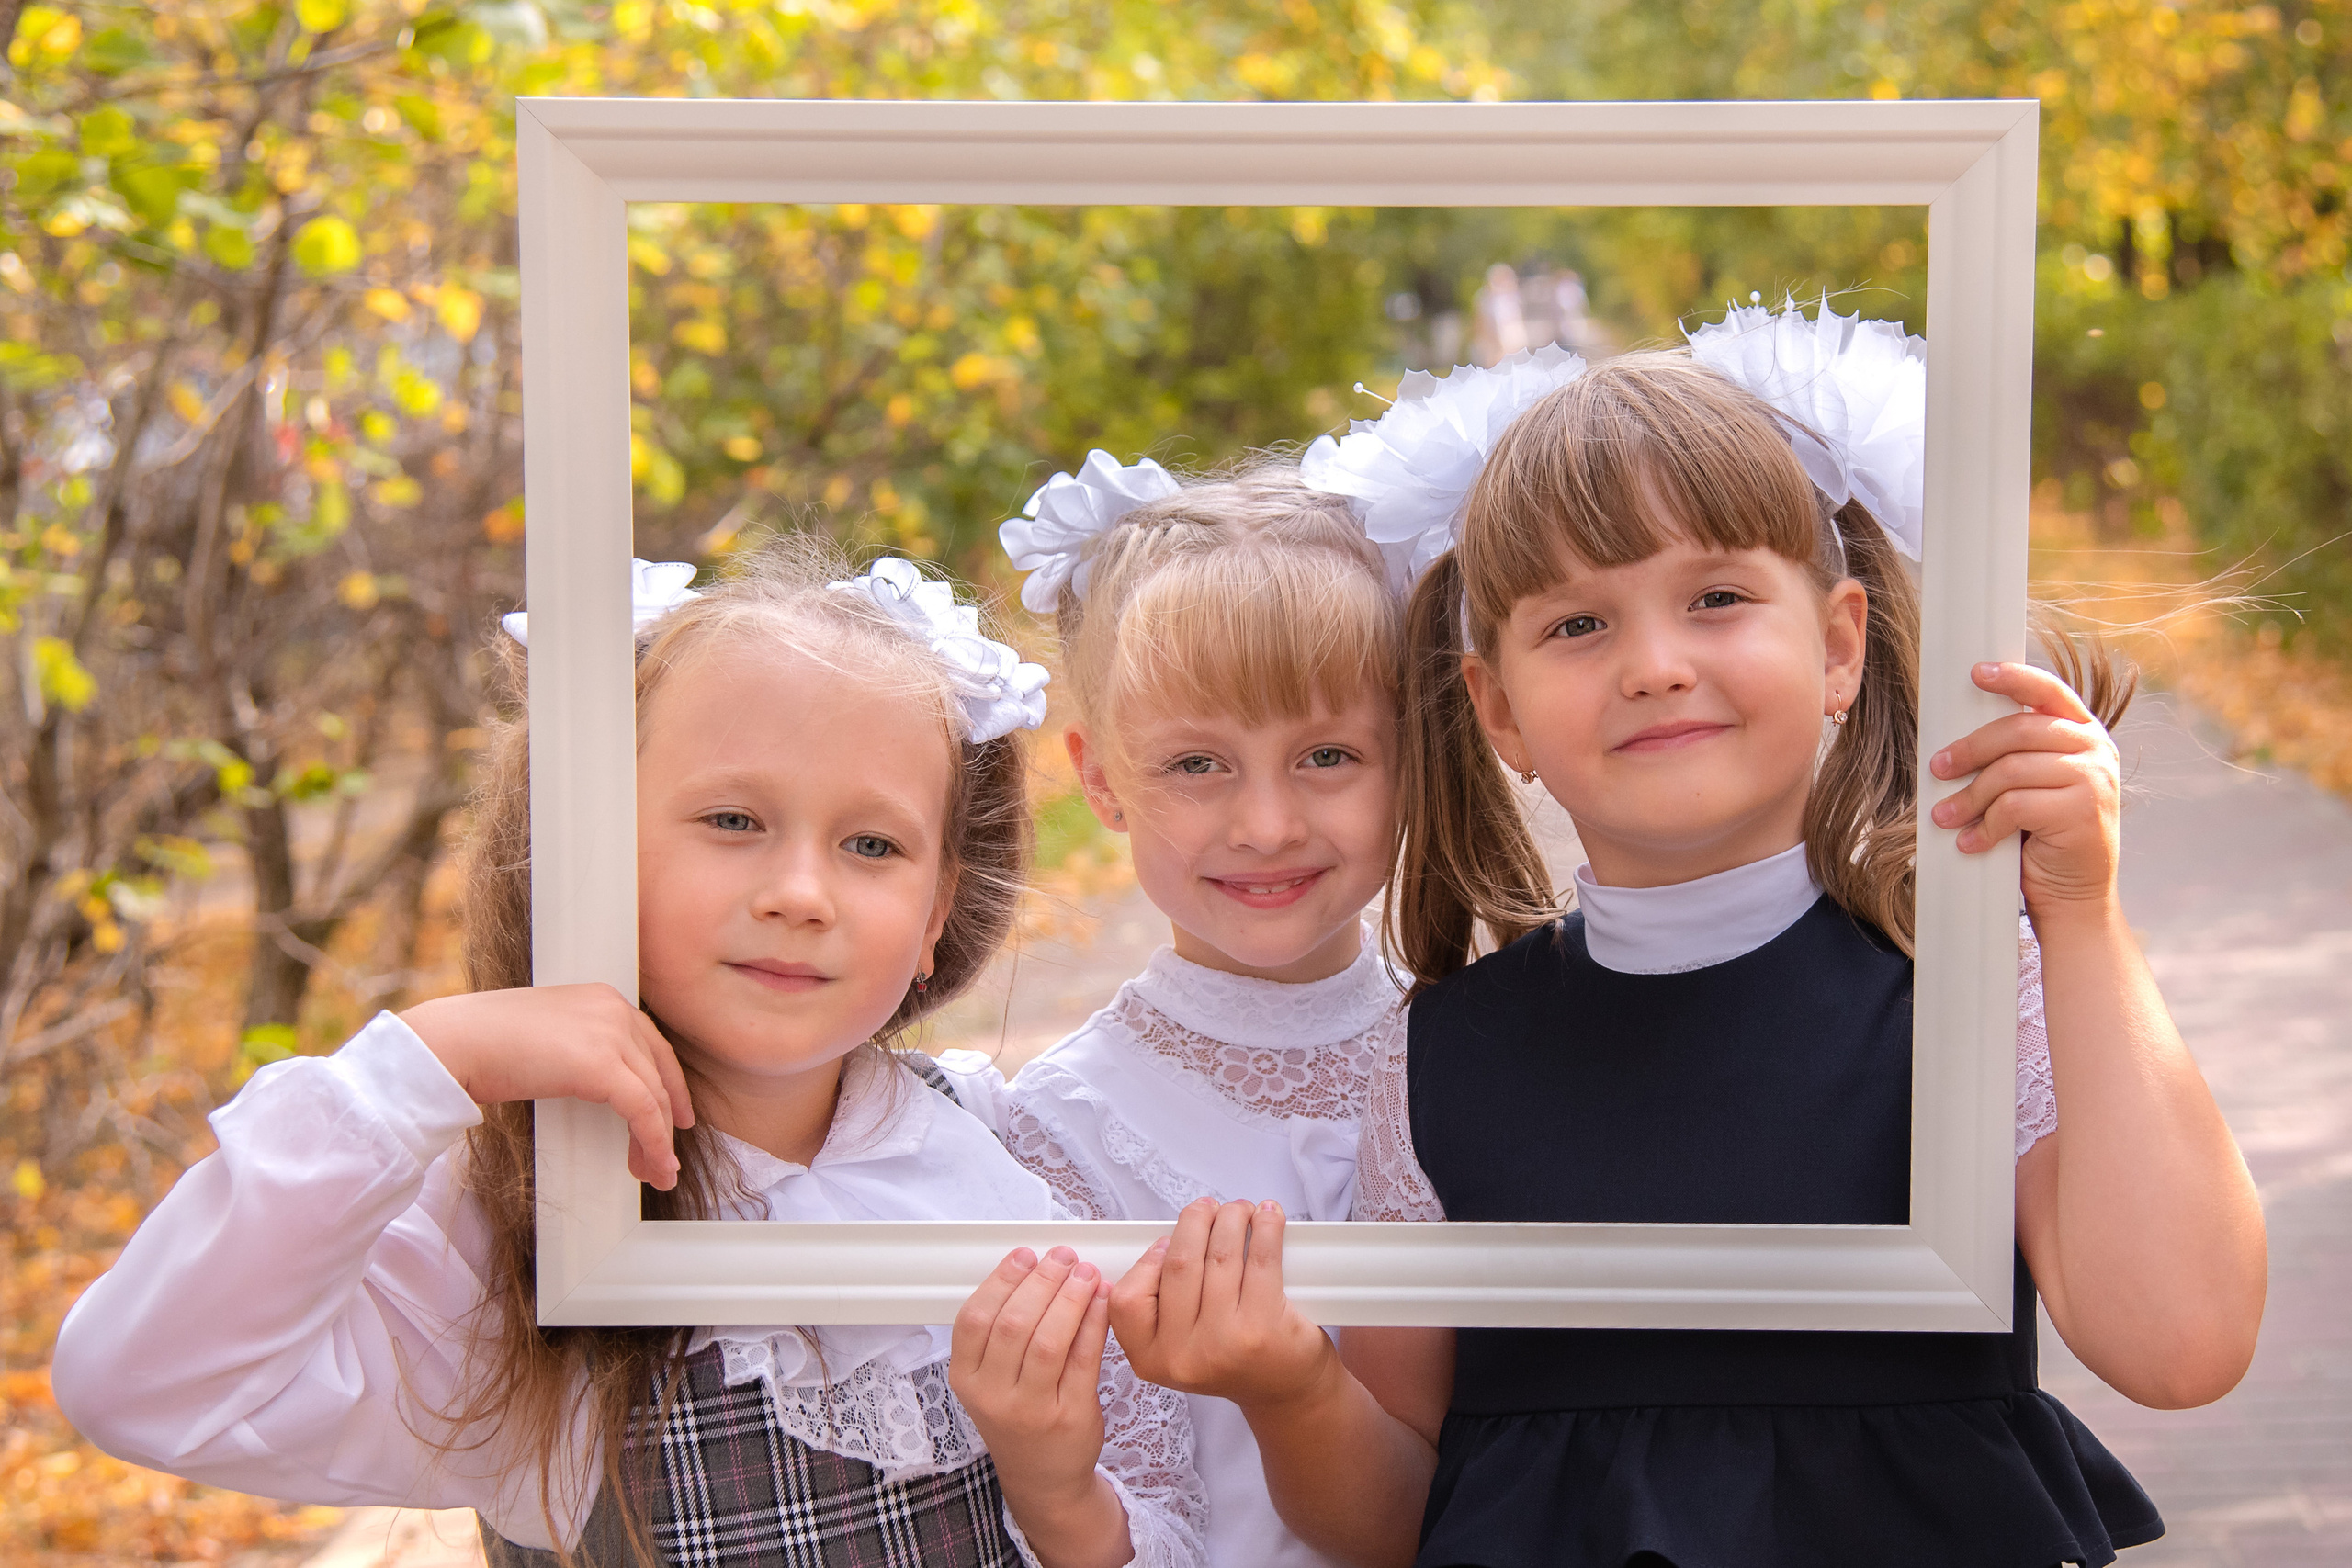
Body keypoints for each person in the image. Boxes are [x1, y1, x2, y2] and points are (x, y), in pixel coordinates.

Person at [1107, 303, 2270, 1568]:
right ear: (1498, 709)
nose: (1655, 664)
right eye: (1578, 624)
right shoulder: (1432, 1058)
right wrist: (1288, 1386)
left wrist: (2083, 916)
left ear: (1838, 645)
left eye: (1715, 598)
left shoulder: (1977, 989)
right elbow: (1397, 1516)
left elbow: (2181, 1346)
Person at [52, 542, 1206, 1568]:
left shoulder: (995, 1153)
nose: (800, 893)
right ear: (588, 848)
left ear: (936, 914)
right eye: (733, 821)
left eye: (871, 845)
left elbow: (1170, 1525)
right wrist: (423, 1065)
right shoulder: (513, 1219)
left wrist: (1057, 1488)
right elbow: (141, 1385)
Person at [943, 453, 1408, 1568]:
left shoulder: (1485, 1049)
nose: (1266, 825)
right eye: (1197, 764)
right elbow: (1126, 1507)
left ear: (1413, 757)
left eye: (1328, 755)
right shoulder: (1068, 1126)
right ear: (1101, 779)